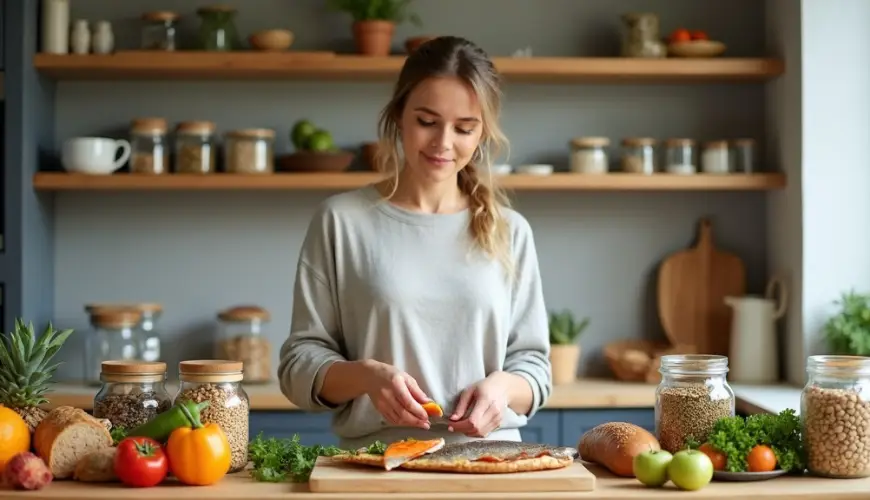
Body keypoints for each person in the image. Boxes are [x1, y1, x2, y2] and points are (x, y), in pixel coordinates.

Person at [278, 35, 552, 451]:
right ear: (399, 116)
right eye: (427, 121)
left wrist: (501, 389)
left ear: (483, 133)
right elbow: (299, 365)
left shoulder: (510, 230)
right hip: (377, 465)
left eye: (464, 128)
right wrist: (369, 378)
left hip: (492, 463)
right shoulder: (342, 221)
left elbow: (534, 368)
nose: (444, 142)